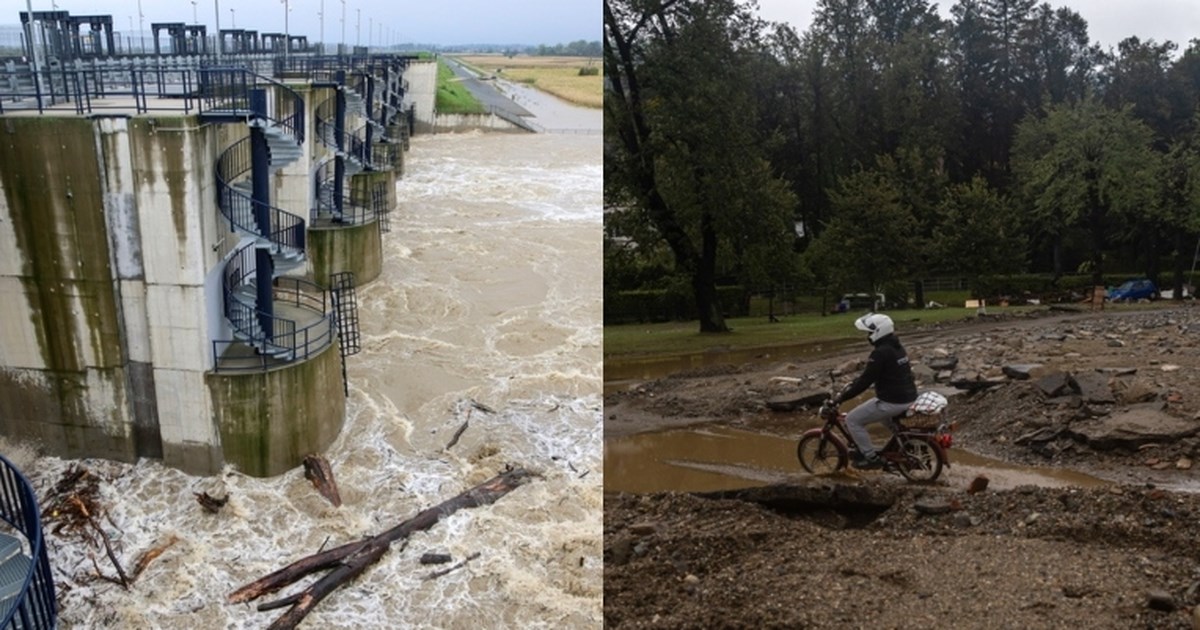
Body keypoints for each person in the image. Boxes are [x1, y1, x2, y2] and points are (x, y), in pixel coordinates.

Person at [829, 313, 918, 470]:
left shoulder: (880, 353)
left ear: (878, 332)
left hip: (892, 401)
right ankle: (904, 443)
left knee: (852, 420)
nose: (868, 336)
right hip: (909, 397)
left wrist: (842, 398)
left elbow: (865, 381)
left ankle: (870, 457)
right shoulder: (897, 347)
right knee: (884, 419)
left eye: (870, 333)